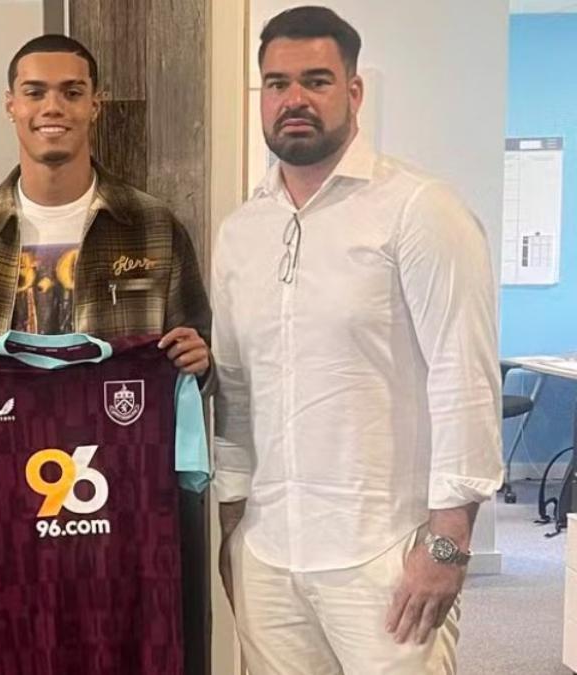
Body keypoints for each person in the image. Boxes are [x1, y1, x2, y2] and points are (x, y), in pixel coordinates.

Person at [212, 7, 503, 674]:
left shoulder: (419, 209)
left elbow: (465, 377)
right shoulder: (241, 232)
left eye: (316, 80)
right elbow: (234, 389)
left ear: (353, 90)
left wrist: (450, 541)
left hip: (387, 556)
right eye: (278, 84)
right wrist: (234, 533)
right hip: (269, 555)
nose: (295, 100)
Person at [0, 33, 211, 381]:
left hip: (114, 432)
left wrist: (201, 363)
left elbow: (198, 356)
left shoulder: (154, 226)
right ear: (11, 105)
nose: (53, 107)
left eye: (72, 93)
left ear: (94, 106)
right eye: (35, 92)